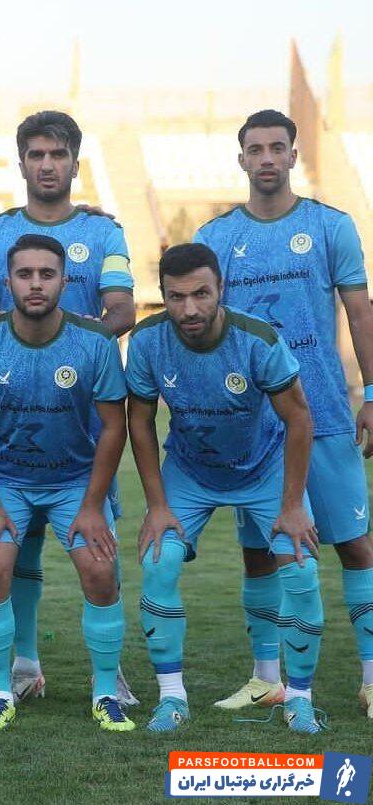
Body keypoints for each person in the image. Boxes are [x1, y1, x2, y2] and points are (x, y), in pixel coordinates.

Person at [195, 109, 373, 719]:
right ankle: (266, 677)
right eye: (256, 149)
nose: (267, 158)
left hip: (323, 414)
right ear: (241, 158)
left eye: (277, 147)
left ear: (294, 155)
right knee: (260, 552)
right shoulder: (216, 237)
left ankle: (371, 677)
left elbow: (360, 312)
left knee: (354, 545)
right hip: (254, 429)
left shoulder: (330, 226)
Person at [0, 110, 138, 706]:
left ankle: (110, 672)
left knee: (97, 547)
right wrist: (2, 330)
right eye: (36, 154)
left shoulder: (103, 233)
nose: (47, 165)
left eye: (58, 155)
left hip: (82, 421)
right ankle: (25, 663)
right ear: (22, 164)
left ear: (75, 164)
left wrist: (74, 341)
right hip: (14, 414)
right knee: (17, 550)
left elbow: (122, 311)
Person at [126, 242, 324, 734]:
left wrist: (292, 505)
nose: (189, 309)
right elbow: (140, 421)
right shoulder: (147, 341)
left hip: (263, 468)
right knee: (158, 561)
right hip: (190, 471)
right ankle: (171, 699)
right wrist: (156, 504)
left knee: (301, 568)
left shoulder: (257, 340)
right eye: (176, 297)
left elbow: (299, 418)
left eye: (201, 294)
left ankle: (299, 698)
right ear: (163, 296)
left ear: (221, 289)